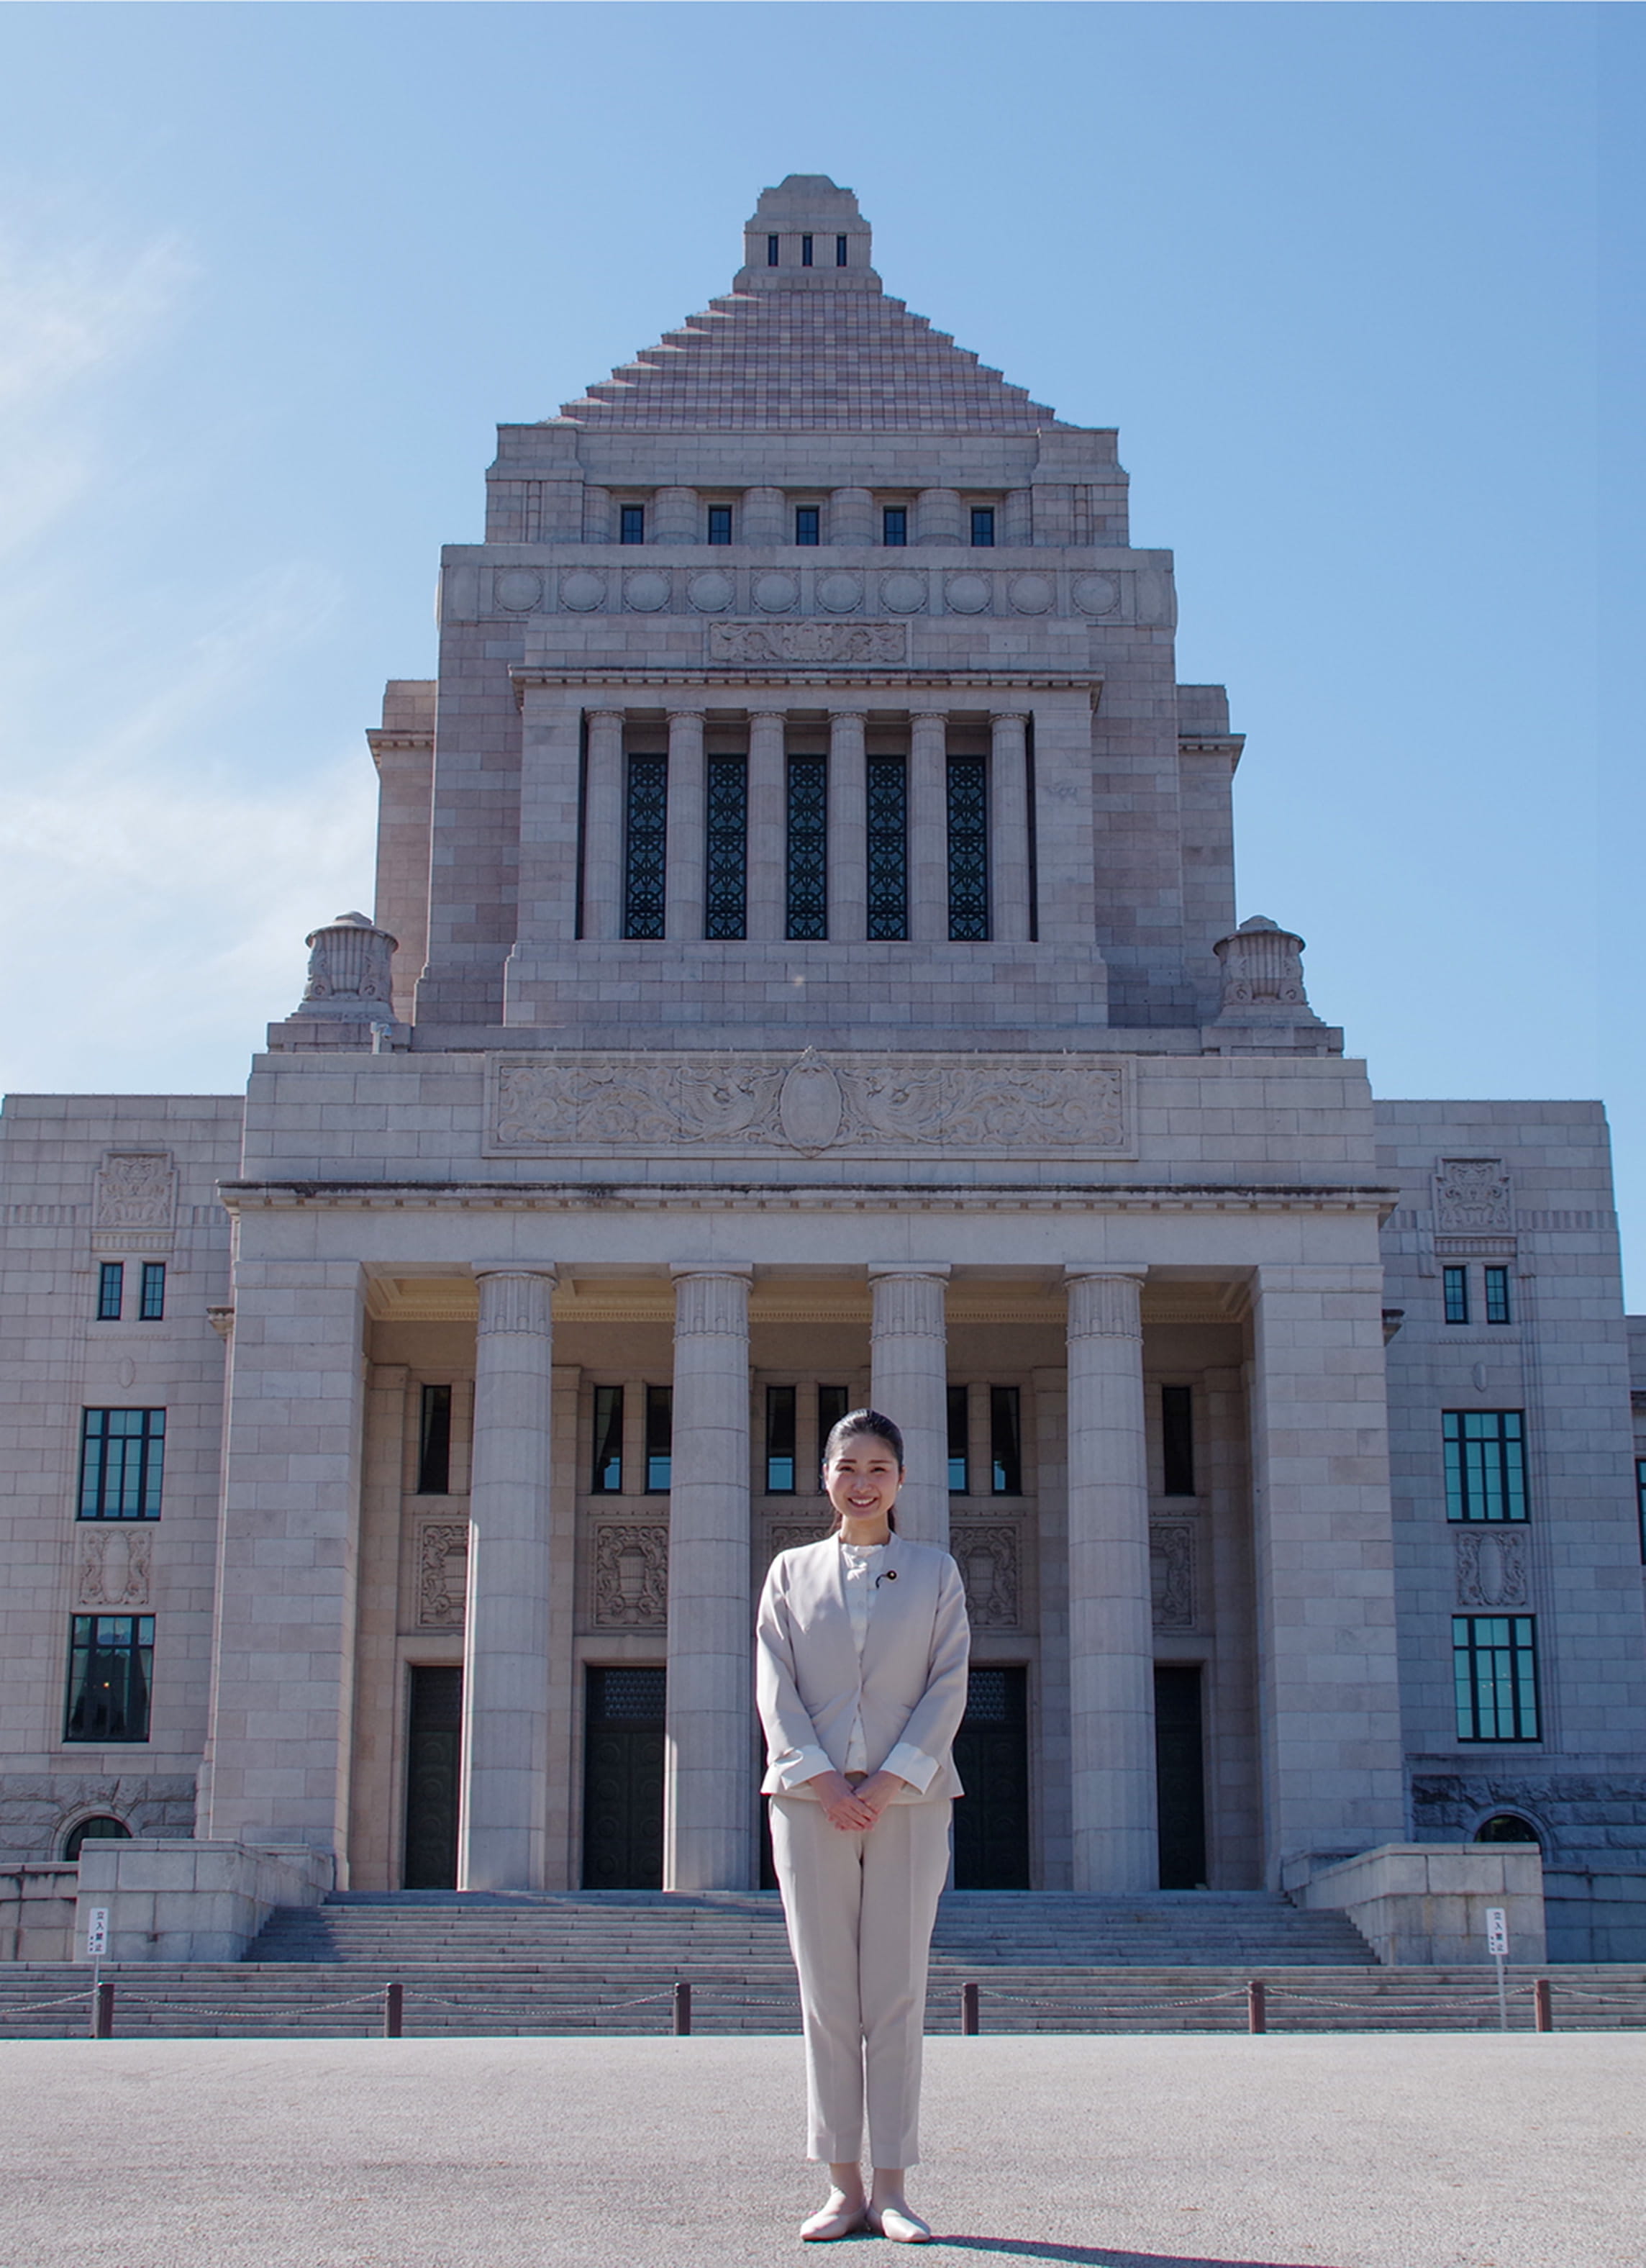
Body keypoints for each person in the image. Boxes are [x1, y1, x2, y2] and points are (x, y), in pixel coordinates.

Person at [755, 1407, 971, 2244]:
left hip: (907, 1803)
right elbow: (772, 1683)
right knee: (826, 1996)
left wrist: (885, 1781)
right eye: (847, 1466)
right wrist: (817, 1775)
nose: (862, 1481)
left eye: (878, 1466)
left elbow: (946, 1684)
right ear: (825, 1476)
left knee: (895, 1992)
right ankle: (839, 2184)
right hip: (808, 1802)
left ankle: (892, 2187)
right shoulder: (788, 1571)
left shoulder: (933, 1571)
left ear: (901, 1480)